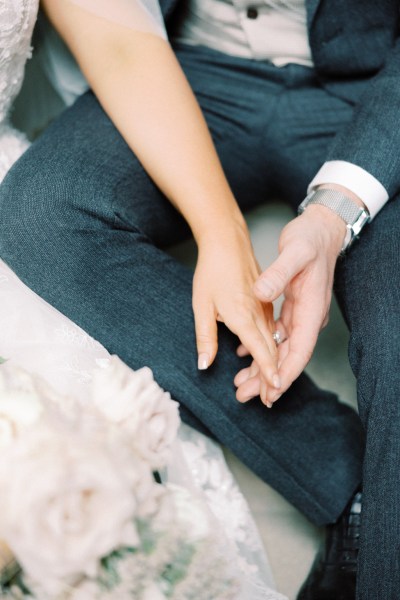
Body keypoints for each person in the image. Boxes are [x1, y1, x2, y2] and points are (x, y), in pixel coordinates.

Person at [5, 0, 397, 597]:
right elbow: (117, 38)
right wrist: (221, 233)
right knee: (42, 215)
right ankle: (351, 478)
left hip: (372, 89)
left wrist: (336, 209)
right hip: (186, 74)